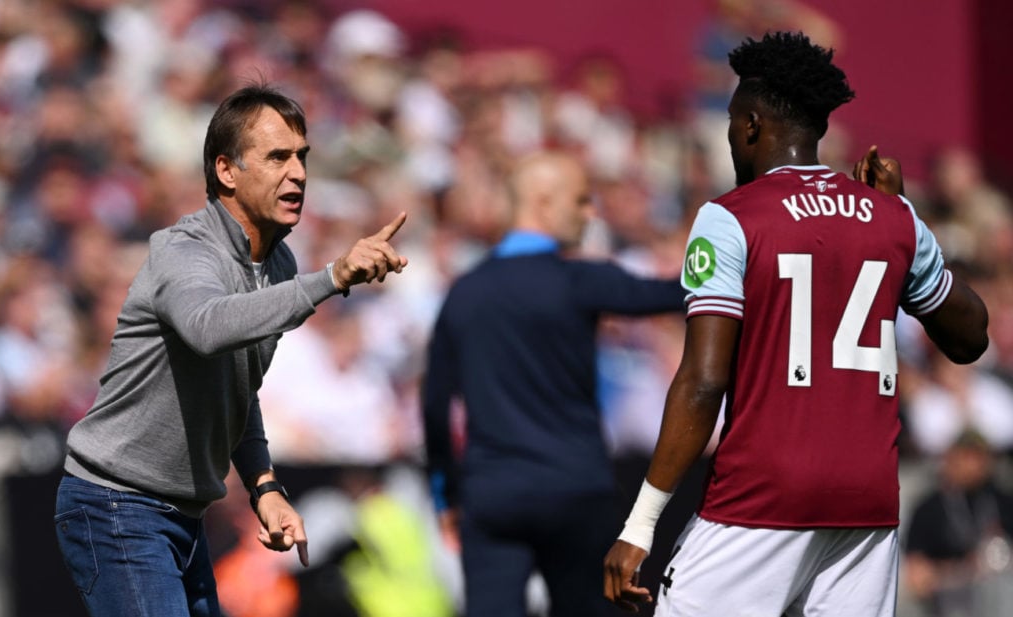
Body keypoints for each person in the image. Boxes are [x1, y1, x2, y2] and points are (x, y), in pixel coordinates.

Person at [603, 32, 990, 616]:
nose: (730, 136)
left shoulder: (728, 217)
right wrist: (904, 214)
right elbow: (971, 339)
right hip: (866, 504)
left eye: (733, 121)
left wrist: (639, 524)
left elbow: (703, 381)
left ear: (752, 125)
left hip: (761, 497)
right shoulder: (893, 216)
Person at [53, 83, 408, 617]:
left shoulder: (278, 265)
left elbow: (239, 389)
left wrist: (264, 485)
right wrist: (332, 276)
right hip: (117, 505)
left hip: (182, 514)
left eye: (302, 157)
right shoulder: (184, 249)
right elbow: (207, 327)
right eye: (277, 157)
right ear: (226, 170)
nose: (299, 173)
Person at [421, 150, 687, 617]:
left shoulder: (464, 292)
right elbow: (676, 294)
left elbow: (434, 404)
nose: (590, 213)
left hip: (493, 493)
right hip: (576, 490)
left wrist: (448, 494)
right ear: (542, 202)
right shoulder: (580, 280)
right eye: (581, 201)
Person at [904, 429, 1013, 617]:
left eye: (979, 457)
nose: (973, 465)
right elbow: (917, 577)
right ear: (950, 460)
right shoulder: (929, 509)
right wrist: (965, 571)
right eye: (966, 457)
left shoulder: (1003, 501)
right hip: (950, 603)